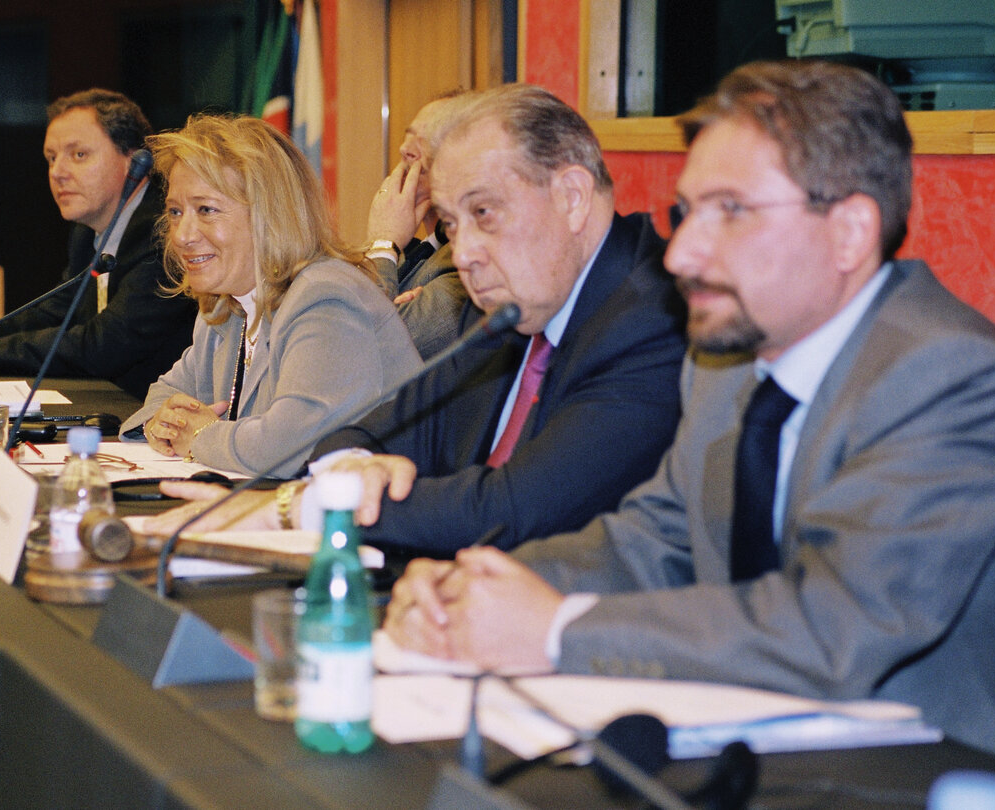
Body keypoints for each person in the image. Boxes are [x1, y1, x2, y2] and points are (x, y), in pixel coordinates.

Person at [384, 61, 995, 762]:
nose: (683, 253)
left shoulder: (949, 374)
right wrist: (476, 590)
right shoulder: (724, 364)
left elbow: (833, 626)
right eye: (688, 215)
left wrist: (557, 629)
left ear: (849, 233)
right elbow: (651, 540)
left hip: (919, 771)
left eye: (732, 212)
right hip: (751, 745)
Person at [146, 84, 687, 557]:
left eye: (484, 214)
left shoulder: (653, 316)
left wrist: (302, 508)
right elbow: (359, 437)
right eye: (451, 223)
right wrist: (356, 473)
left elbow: (509, 509)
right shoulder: (512, 309)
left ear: (571, 197)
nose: (465, 251)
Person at [117, 114, 421, 478]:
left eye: (206, 210)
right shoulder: (223, 306)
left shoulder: (326, 297)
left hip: (372, 525)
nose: (182, 235)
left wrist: (200, 436)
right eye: (175, 211)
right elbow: (166, 393)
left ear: (270, 214)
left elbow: (289, 446)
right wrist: (160, 422)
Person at [0, 89, 196, 400]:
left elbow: (105, 344)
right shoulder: (85, 233)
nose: (58, 172)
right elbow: (55, 312)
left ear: (133, 163)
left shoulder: (164, 233)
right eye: (51, 158)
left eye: (78, 155)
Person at [364, 94, 470, 358]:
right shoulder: (409, 252)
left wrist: (383, 242)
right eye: (408, 136)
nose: (405, 149)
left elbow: (368, 349)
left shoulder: (468, 264)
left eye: (429, 139)